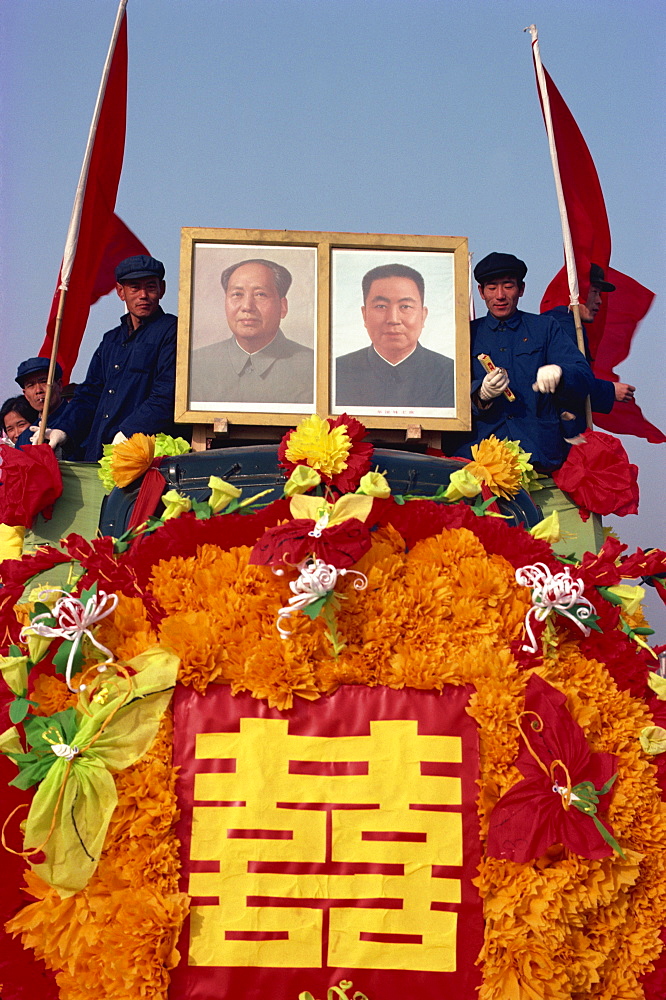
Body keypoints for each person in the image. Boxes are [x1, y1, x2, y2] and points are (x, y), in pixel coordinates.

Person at [455, 252, 594, 471]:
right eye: (492, 288)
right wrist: (479, 394)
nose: (500, 295)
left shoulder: (545, 328)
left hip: (537, 454)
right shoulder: (464, 334)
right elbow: (444, 389)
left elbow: (584, 376)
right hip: (477, 456)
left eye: (508, 286)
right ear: (481, 292)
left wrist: (561, 373)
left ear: (521, 289)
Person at [42, 255, 178, 461]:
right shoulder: (111, 340)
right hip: (100, 452)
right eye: (134, 287)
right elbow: (89, 394)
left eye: (150, 287)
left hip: (147, 455)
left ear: (162, 289)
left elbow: (167, 394)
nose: (143, 295)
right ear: (120, 292)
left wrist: (130, 432)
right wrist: (64, 429)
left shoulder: (172, 331)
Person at [190, 258, 314, 405]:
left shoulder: (313, 366)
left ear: (283, 306)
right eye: (237, 294)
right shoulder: (195, 364)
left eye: (260, 294)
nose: (247, 306)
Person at [335, 263, 454, 408]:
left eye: (405, 306)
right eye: (381, 306)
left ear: (423, 315)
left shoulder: (450, 374)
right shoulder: (337, 372)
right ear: (364, 314)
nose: (393, 319)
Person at [544, 263, 636, 437]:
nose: (600, 300)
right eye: (594, 292)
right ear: (576, 293)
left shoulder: (563, 322)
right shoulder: (563, 325)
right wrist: (610, 391)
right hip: (559, 435)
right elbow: (565, 385)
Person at [13, 357, 67, 449]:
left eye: (44, 382)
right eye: (31, 385)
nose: (38, 390)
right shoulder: (25, 438)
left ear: (59, 385)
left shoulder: (80, 419)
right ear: (25, 394)